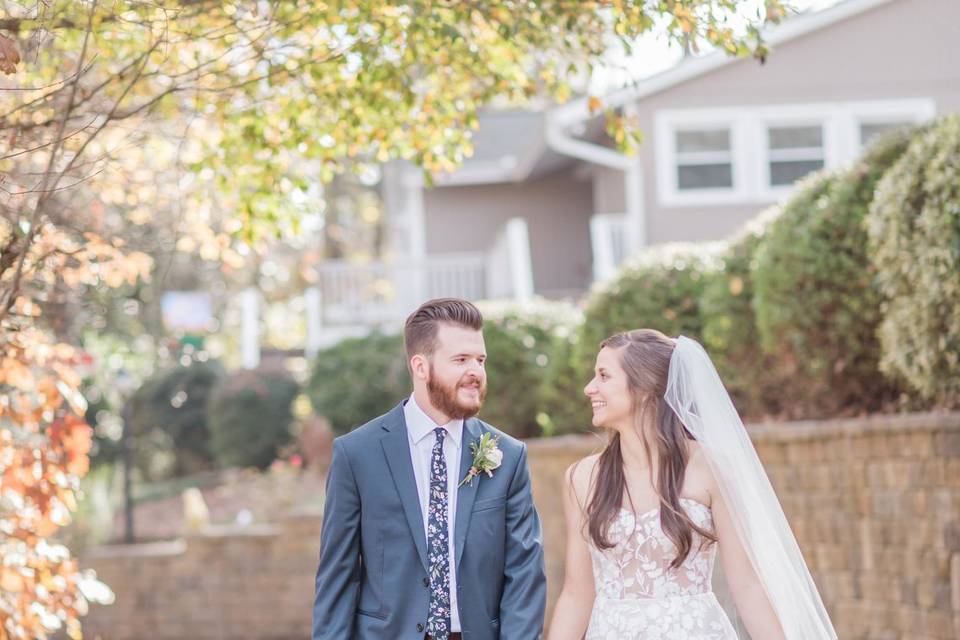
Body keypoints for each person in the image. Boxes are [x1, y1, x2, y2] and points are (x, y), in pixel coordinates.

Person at [547, 329, 837, 640]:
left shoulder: (711, 469)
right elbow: (577, 594)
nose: (589, 388)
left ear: (644, 387)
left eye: (604, 376)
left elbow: (748, 585)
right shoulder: (582, 478)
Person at [313, 298, 547, 640]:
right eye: (461, 360)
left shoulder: (508, 456)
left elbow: (524, 573)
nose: (476, 372)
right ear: (420, 367)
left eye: (480, 360)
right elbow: (337, 576)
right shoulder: (357, 454)